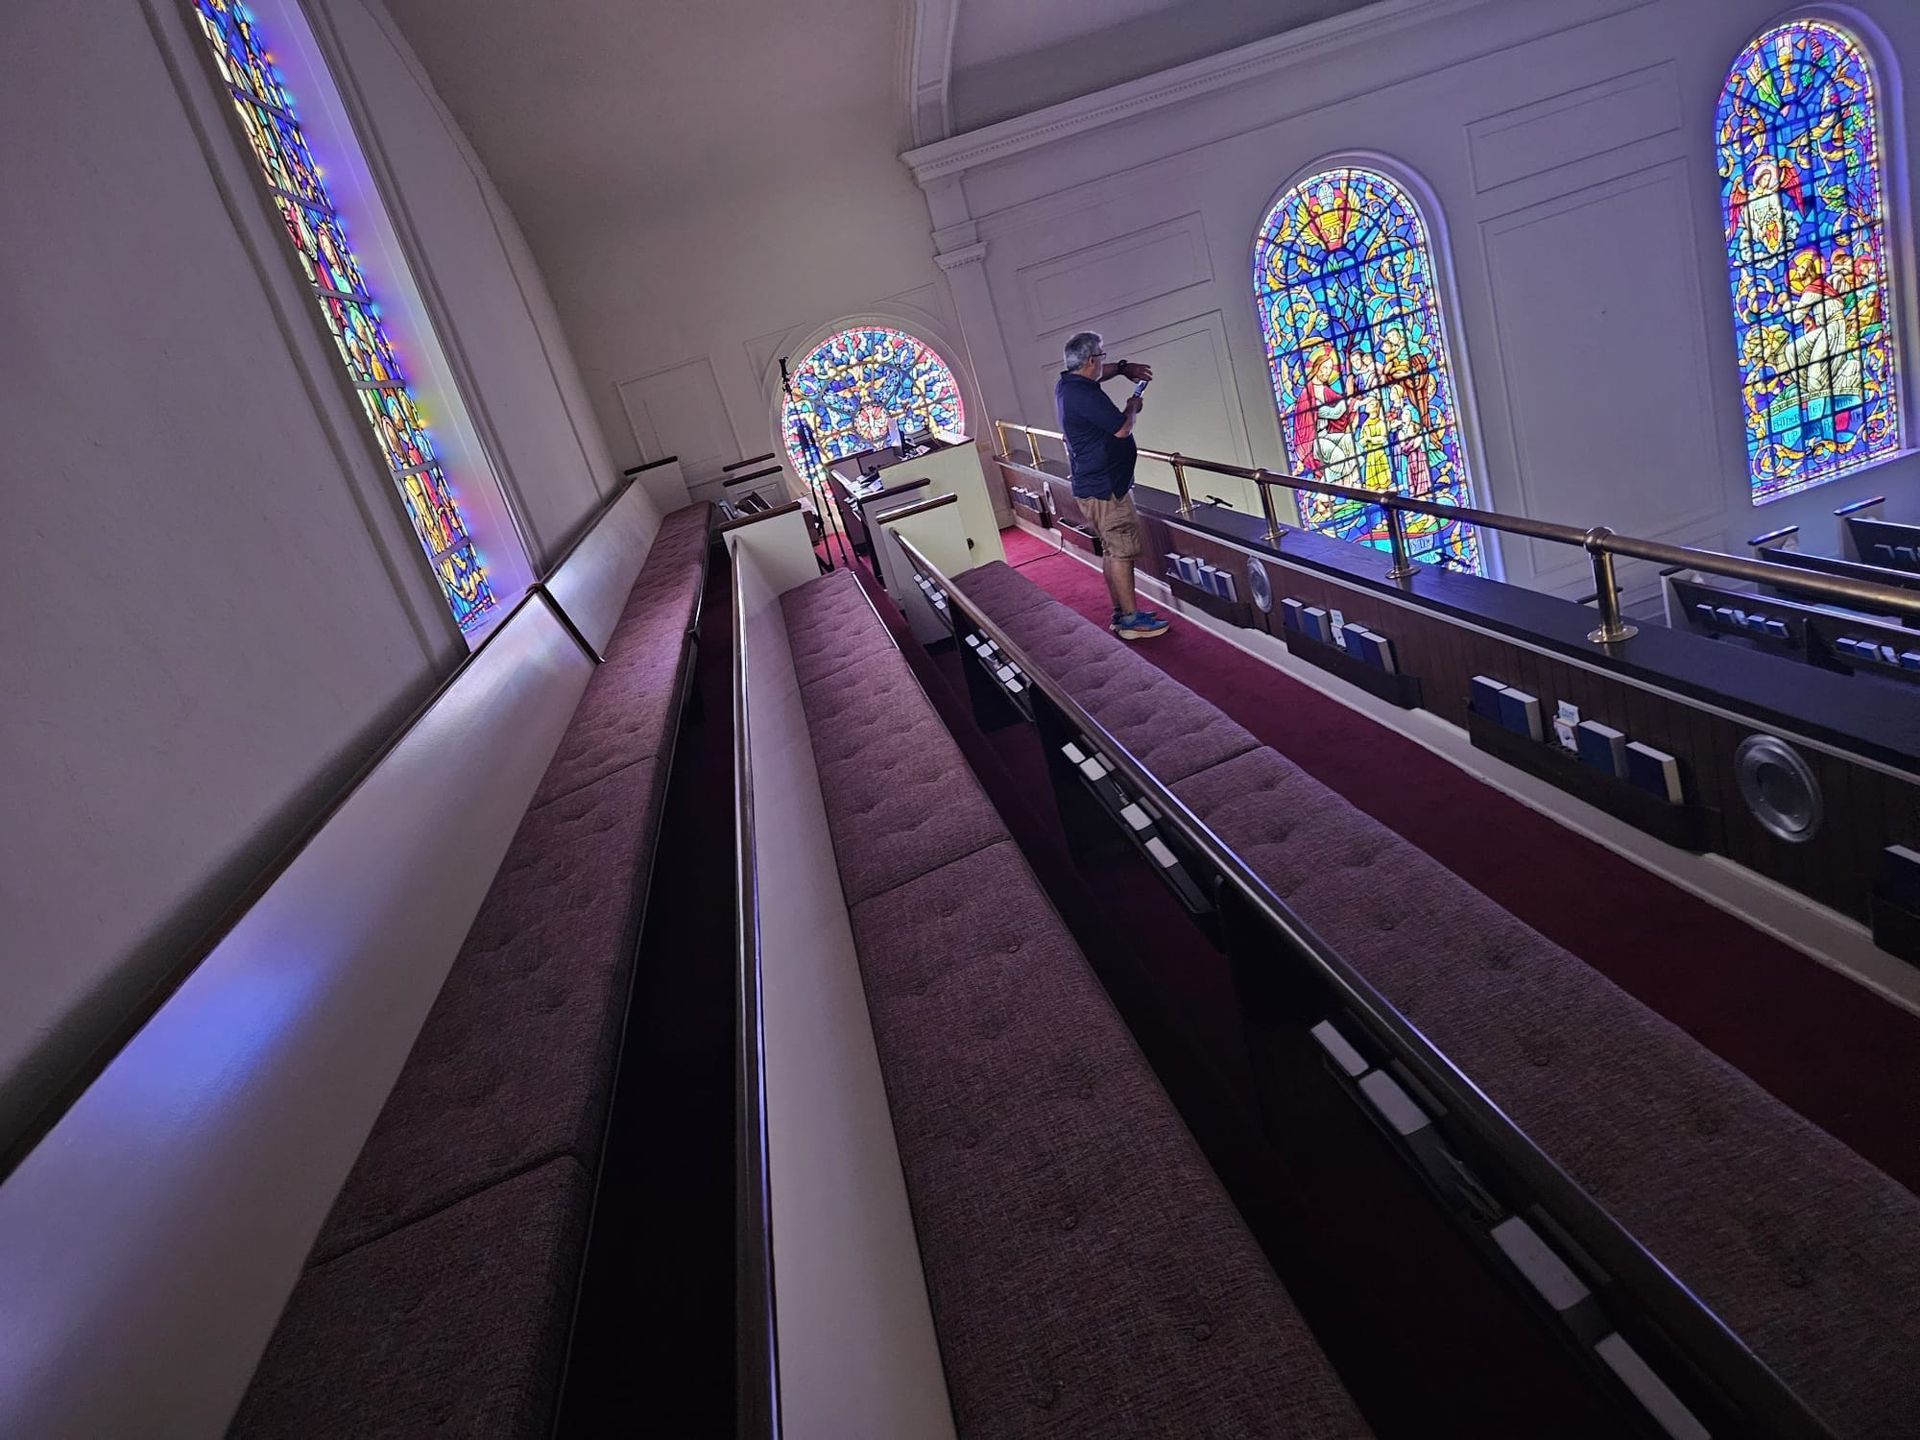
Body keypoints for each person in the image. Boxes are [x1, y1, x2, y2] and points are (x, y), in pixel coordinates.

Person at [1055, 331, 1169, 639]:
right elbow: (1122, 429)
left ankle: (1122, 612)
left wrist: (1121, 368)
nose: (1104, 361)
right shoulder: (1085, 395)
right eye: (1102, 356)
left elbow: (1096, 375)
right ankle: (1131, 620)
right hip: (1107, 489)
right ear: (1091, 360)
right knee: (1121, 551)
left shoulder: (1068, 384)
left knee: (1111, 549)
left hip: (1092, 485)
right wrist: (1133, 405)